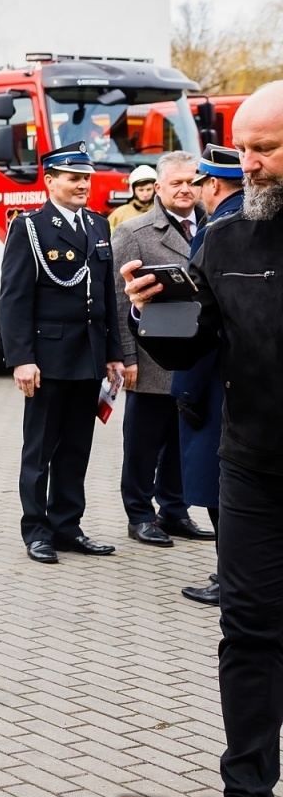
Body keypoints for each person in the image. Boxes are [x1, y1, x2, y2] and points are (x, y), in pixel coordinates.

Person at [123, 85, 283, 797]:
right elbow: (190, 347)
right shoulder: (225, 239)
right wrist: (149, 309)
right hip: (252, 466)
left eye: (267, 150)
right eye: (244, 149)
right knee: (248, 630)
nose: (248, 165)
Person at [0, 142, 124, 565]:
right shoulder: (30, 227)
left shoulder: (98, 225)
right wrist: (21, 358)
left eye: (86, 178)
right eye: (74, 178)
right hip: (47, 359)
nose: (82, 185)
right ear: (50, 180)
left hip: (87, 357)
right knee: (40, 450)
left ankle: (68, 526)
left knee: (76, 448)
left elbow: (106, 294)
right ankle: (37, 530)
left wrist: (113, 353)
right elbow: (14, 298)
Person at [111, 151, 214, 547]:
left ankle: (174, 510)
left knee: (180, 441)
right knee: (143, 441)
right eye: (177, 183)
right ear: (158, 188)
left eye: (193, 181)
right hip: (152, 356)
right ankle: (139, 513)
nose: (186, 189)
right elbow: (121, 300)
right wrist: (128, 356)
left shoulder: (212, 224)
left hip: (195, 357)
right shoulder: (134, 232)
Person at [173, 146, 245, 607]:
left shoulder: (216, 231)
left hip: (215, 379)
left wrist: (185, 387)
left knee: (221, 486)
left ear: (212, 185)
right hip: (246, 379)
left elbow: (199, 319)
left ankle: (230, 578)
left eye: (199, 183)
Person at [109, 165, 159, 230]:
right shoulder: (120, 213)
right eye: (141, 190)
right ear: (133, 190)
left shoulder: (161, 212)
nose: (145, 194)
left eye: (149, 189)